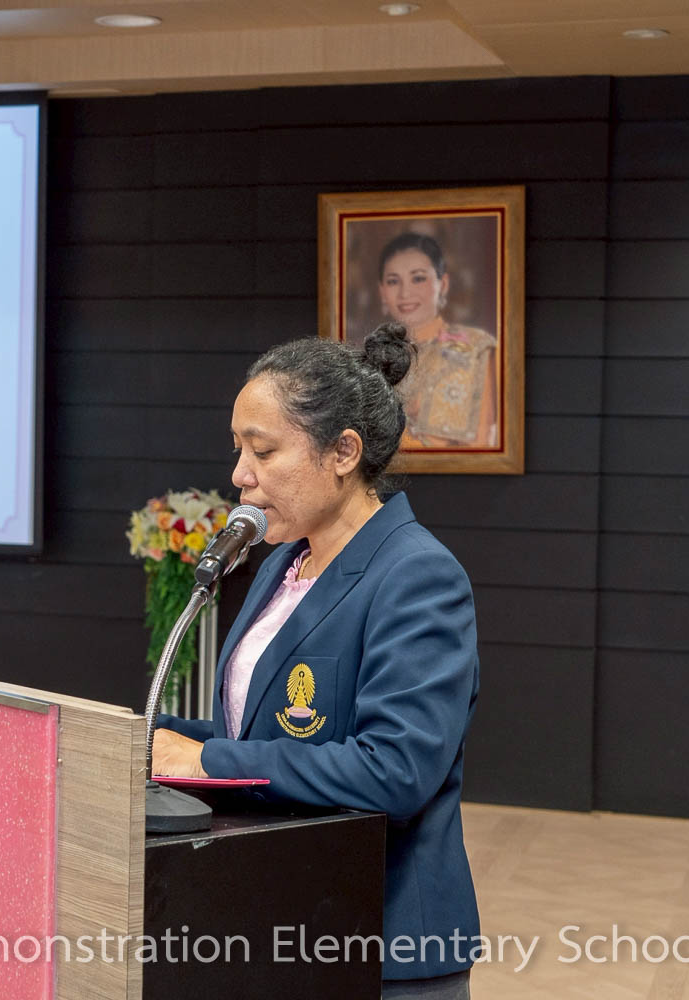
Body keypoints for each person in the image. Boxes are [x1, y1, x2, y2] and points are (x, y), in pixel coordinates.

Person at [152, 323, 481, 998]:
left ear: (343, 452)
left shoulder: (417, 575)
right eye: (238, 449)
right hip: (285, 916)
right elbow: (268, 733)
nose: (240, 474)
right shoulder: (283, 566)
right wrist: (154, 738)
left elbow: (395, 770)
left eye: (264, 450)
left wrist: (208, 761)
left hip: (382, 943)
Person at [376, 232, 498, 449]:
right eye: (393, 281)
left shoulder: (477, 350)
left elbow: (483, 449)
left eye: (418, 278)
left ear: (443, 284)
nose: (405, 293)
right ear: (382, 292)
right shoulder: (371, 359)